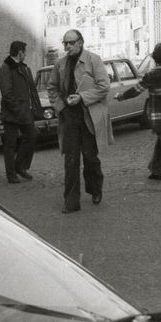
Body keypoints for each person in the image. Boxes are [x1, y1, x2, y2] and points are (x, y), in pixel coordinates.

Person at [46, 30, 113, 214]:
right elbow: (51, 87)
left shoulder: (93, 60)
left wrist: (82, 97)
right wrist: (60, 107)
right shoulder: (60, 64)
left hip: (89, 116)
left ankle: (95, 189)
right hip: (70, 117)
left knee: (90, 157)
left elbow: (104, 86)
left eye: (71, 43)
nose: (67, 46)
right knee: (71, 159)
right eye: (65, 43)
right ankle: (71, 202)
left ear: (80, 42)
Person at [117, 42, 161, 185]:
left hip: (158, 116)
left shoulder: (151, 75)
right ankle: (155, 171)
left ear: (154, 58)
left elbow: (136, 90)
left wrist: (121, 96)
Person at [0, 40, 39, 184]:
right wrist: (17, 110)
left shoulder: (23, 68)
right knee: (10, 144)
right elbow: (7, 94)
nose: (25, 55)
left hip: (24, 110)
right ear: (19, 53)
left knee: (32, 136)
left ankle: (20, 166)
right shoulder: (5, 69)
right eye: (24, 52)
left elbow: (30, 90)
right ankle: (11, 174)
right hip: (12, 113)